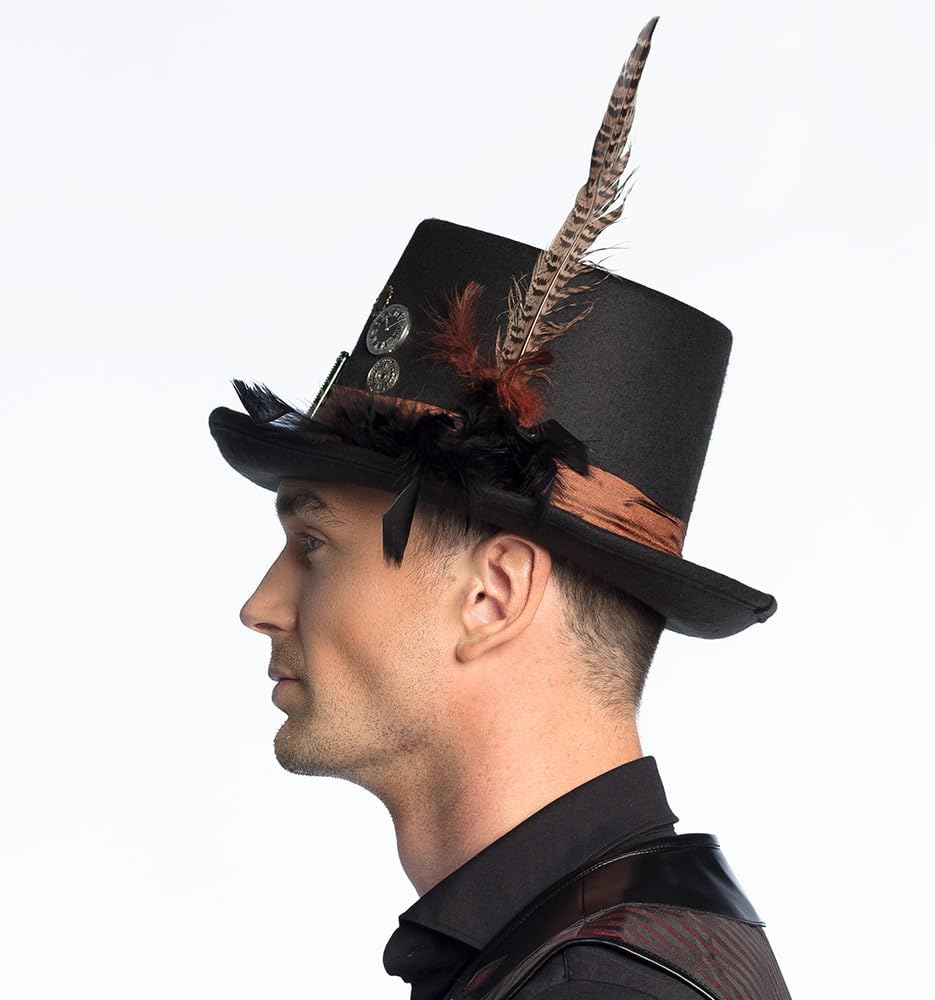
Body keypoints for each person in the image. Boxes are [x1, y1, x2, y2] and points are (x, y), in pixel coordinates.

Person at [209, 17, 790, 999]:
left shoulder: (593, 987)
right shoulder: (584, 950)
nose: (260, 606)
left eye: (313, 542)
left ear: (493, 593)